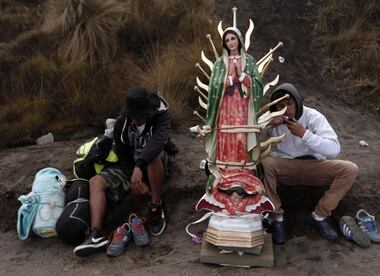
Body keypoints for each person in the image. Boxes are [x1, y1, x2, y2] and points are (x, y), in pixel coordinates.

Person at [74, 86, 176, 257]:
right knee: (95, 182)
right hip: (131, 165)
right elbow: (124, 156)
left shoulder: (161, 115)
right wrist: (135, 176)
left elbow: (158, 142)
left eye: (139, 116)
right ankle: (96, 234)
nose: (135, 120)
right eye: (133, 116)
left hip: (156, 159)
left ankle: (156, 205)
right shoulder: (122, 123)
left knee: (153, 156)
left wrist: (139, 167)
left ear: (148, 111)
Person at [260, 83, 358, 244]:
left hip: (314, 167)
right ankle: (276, 218)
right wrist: (265, 126)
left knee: (350, 169)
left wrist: (304, 134)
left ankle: (319, 216)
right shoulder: (271, 119)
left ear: (297, 101)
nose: (285, 109)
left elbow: (334, 149)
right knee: (265, 163)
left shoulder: (313, 117)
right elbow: (254, 147)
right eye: (280, 106)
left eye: (289, 104)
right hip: (286, 167)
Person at [199, 26, 268, 214]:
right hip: (225, 108)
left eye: (233, 38)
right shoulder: (220, 63)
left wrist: (243, 75)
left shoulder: (250, 61)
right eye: (227, 40)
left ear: (239, 39)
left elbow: (257, 85)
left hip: (243, 107)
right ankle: (225, 174)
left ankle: (243, 173)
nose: (230, 42)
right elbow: (214, 86)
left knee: (240, 136)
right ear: (224, 43)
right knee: (226, 137)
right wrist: (228, 80)